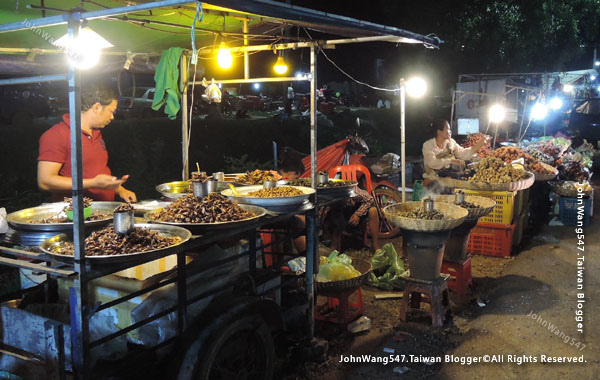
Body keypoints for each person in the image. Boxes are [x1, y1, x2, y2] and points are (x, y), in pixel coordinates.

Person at [37, 84, 137, 202]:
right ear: (97, 107)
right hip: (74, 215)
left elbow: (96, 171)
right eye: (111, 111)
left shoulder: (96, 132)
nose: (112, 117)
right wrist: (93, 183)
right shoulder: (56, 135)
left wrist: (120, 189)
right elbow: (44, 181)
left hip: (103, 211)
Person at [422, 119, 487, 180]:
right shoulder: (428, 145)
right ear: (439, 132)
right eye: (447, 129)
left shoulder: (451, 142)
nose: (450, 132)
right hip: (432, 179)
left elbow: (463, 154)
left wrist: (479, 145)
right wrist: (451, 161)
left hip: (447, 177)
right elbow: (432, 163)